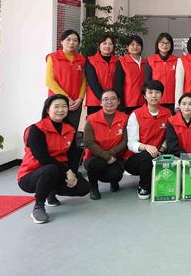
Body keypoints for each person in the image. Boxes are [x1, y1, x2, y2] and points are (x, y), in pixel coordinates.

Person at [17, 95, 90, 224]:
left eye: (64, 106)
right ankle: (38, 206)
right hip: (31, 175)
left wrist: (72, 173)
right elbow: (43, 158)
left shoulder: (70, 129)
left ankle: (50, 192)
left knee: (84, 187)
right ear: (47, 110)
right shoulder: (36, 129)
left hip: (57, 171)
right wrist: (67, 171)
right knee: (50, 169)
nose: (60, 110)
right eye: (56, 107)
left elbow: (73, 155)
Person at [124, 80, 170, 200]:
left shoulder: (167, 113)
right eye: (150, 92)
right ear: (144, 96)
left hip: (159, 154)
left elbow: (169, 137)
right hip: (136, 158)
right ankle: (144, 187)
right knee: (147, 155)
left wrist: (161, 149)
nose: (154, 96)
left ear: (162, 94)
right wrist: (146, 147)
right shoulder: (136, 114)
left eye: (157, 92)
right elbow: (131, 143)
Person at [82, 89, 128, 200]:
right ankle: (93, 188)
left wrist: (111, 154)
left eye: (113, 99)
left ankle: (113, 182)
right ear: (100, 102)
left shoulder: (125, 118)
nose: (109, 102)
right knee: (95, 165)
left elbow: (126, 141)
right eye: (106, 99)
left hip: (115, 157)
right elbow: (89, 142)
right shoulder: (91, 119)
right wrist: (106, 156)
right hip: (94, 157)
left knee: (115, 174)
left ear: (118, 101)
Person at [45, 29, 86, 130]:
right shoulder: (53, 57)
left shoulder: (81, 59)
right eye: (68, 39)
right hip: (57, 101)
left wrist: (80, 99)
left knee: (72, 130)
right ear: (61, 41)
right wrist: (66, 98)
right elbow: (49, 81)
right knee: (55, 130)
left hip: (75, 104)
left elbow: (84, 81)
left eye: (75, 40)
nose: (71, 43)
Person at [84, 34, 119, 116]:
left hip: (112, 101)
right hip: (95, 101)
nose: (107, 46)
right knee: (94, 123)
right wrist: (104, 99)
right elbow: (92, 82)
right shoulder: (90, 60)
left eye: (110, 44)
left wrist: (112, 99)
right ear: (99, 45)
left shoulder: (118, 61)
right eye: (104, 43)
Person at [144, 32, 178, 115]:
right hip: (156, 100)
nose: (164, 45)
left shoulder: (177, 60)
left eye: (167, 43)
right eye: (162, 43)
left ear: (171, 45)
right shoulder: (150, 60)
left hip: (173, 100)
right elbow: (147, 82)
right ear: (157, 44)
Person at [114, 35, 146, 115]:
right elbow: (118, 85)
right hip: (128, 102)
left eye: (138, 45)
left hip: (144, 101)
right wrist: (120, 106)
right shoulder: (122, 62)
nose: (135, 47)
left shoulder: (146, 62)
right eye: (132, 44)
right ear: (127, 47)